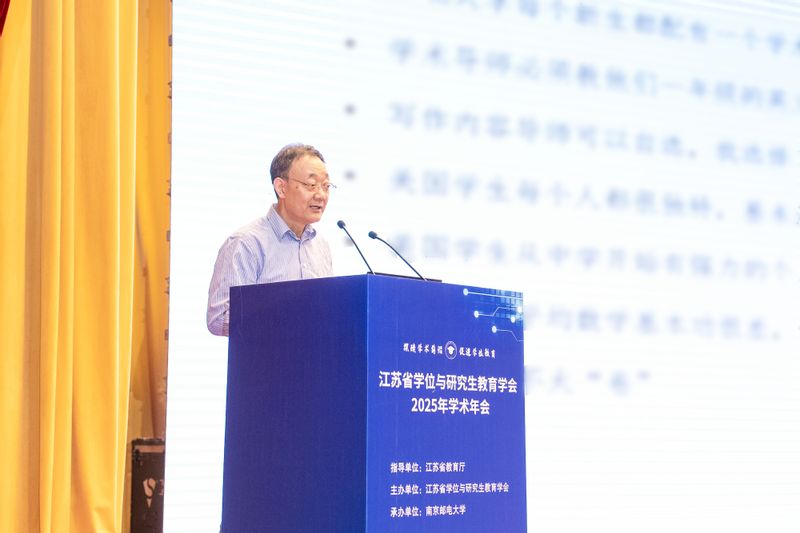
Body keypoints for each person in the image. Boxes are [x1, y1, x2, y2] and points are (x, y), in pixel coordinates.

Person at [207, 143, 333, 336]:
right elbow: (219, 318)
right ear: (281, 188)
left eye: (326, 186)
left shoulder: (320, 246)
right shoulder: (246, 243)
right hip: (267, 355)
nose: (321, 195)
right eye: (311, 185)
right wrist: (285, 317)